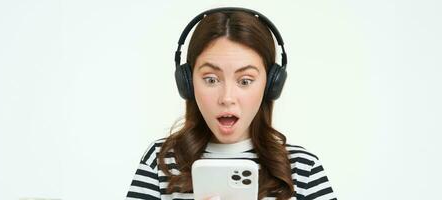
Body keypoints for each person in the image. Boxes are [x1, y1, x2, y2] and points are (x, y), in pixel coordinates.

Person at [125, 7, 337, 200]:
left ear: (271, 84)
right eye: (211, 79)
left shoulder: (303, 168)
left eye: (245, 81)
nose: (227, 98)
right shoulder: (160, 161)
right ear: (187, 83)